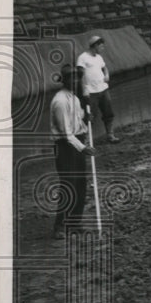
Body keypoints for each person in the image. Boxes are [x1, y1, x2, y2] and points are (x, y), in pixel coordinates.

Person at [49, 63, 95, 239]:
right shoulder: (60, 101)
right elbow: (66, 133)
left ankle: (75, 223)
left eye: (77, 77)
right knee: (68, 185)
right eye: (71, 78)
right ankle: (59, 226)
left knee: (81, 184)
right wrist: (83, 148)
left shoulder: (74, 98)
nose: (75, 80)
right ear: (65, 80)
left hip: (77, 143)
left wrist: (86, 116)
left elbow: (78, 117)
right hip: (65, 146)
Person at [76, 35, 119, 143]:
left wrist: (107, 74)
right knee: (90, 117)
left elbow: (104, 68)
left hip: (103, 90)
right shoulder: (83, 57)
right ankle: (85, 141)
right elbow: (79, 75)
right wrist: (84, 89)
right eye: (101, 46)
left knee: (108, 113)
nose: (103, 48)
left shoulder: (99, 57)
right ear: (95, 45)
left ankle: (110, 135)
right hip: (91, 92)